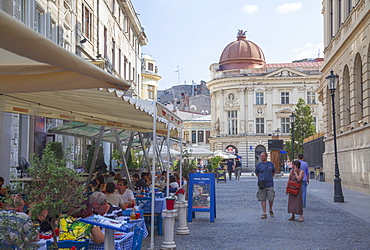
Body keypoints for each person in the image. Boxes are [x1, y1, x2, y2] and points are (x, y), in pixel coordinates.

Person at [255, 152, 276, 219]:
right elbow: (257, 173)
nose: (261, 157)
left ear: (266, 156)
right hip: (262, 184)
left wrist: (269, 177)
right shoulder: (259, 165)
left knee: (271, 198)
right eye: (261, 156)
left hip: (270, 183)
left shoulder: (271, 164)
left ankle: (270, 209)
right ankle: (264, 213)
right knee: (263, 199)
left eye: (262, 156)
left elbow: (273, 172)